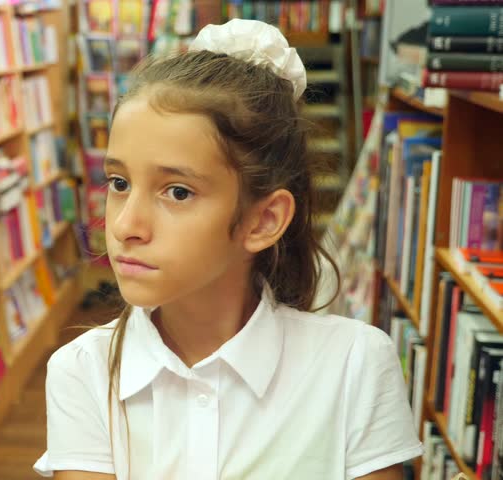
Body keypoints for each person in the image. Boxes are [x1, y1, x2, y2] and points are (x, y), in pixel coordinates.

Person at [33, 19, 422, 480]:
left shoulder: (354, 365)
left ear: (264, 220)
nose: (124, 225)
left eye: (176, 192)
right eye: (119, 183)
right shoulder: (84, 371)